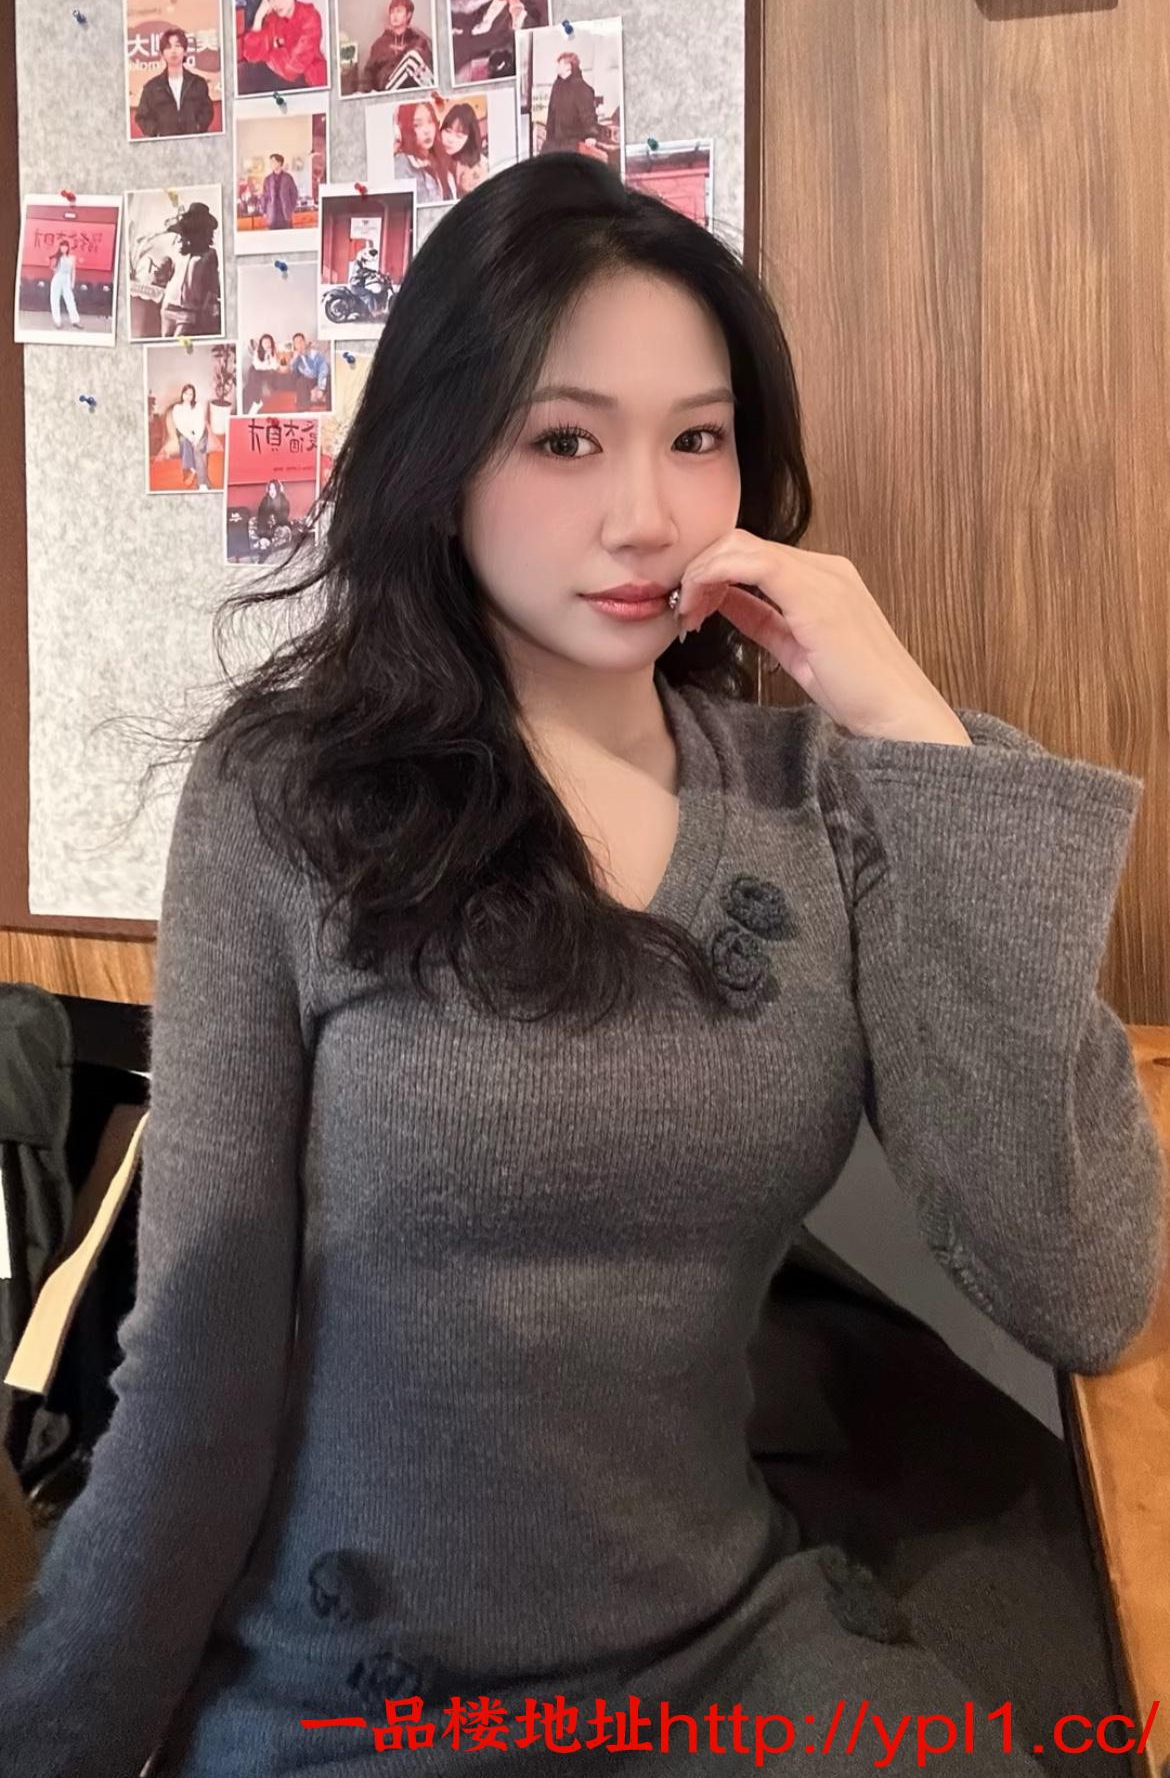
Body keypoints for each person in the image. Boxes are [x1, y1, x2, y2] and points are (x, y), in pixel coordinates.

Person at [0, 153, 1162, 1778]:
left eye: (697, 438)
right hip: (356, 1692)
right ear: (439, 462)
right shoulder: (288, 798)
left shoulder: (823, 796)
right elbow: (197, 1365)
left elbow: (1079, 1283)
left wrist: (909, 723)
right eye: (565, 440)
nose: (647, 514)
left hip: (722, 1649)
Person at [238, 0, 327, 94]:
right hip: (279, 80)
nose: (277, 2)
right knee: (245, 75)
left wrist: (269, 55)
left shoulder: (310, 16)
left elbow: (293, 67)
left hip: (310, 81)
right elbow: (252, 56)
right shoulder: (272, 19)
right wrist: (258, 18)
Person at [148, 200, 221, 339]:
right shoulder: (177, 249)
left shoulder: (209, 254)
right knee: (165, 344)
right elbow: (168, 273)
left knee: (177, 342)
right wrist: (161, 270)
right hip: (168, 306)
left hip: (189, 312)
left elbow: (212, 286)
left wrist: (204, 309)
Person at [134, 26, 215, 138]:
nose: (173, 51)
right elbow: (142, 116)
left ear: (185, 51)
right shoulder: (152, 88)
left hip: (193, 141)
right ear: (162, 54)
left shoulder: (198, 83)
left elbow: (207, 111)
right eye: (168, 47)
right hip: (165, 144)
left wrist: (197, 128)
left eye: (177, 46)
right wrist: (157, 134)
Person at [359, 0, 435, 93]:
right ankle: (435, 93)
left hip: (411, 88)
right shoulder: (380, 43)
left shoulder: (418, 41)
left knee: (415, 56)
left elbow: (428, 67)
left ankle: (434, 93)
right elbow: (369, 72)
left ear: (408, 15)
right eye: (392, 12)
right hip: (387, 88)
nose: (394, 15)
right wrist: (368, 93)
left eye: (399, 11)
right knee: (412, 58)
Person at [541, 50, 610, 161]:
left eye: (560, 64)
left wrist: (590, 135)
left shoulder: (581, 88)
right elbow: (551, 111)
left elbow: (588, 113)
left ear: (568, 66)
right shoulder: (557, 85)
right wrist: (548, 131)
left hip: (573, 142)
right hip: (555, 141)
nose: (557, 67)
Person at [392, 101, 458, 202]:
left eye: (430, 121)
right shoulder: (402, 163)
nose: (427, 130)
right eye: (417, 125)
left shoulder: (440, 157)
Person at [439, 101, 488, 194]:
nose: (450, 139)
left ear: (469, 139)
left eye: (459, 136)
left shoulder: (478, 166)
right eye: (448, 131)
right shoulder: (432, 154)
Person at [170, 383, 211, 490]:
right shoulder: (177, 408)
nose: (188, 397)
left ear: (193, 396)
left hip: (200, 433)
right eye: (186, 393)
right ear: (182, 394)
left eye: (190, 394)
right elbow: (179, 426)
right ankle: (192, 469)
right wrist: (190, 437)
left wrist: (196, 438)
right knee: (183, 441)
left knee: (197, 450)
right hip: (185, 433)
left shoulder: (198, 406)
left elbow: (200, 424)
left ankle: (202, 484)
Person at [346, 237, 387, 319]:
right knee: (369, 294)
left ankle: (369, 310)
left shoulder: (360, 264)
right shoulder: (357, 265)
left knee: (372, 289)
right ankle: (374, 312)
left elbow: (365, 270)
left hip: (358, 285)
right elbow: (361, 272)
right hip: (356, 287)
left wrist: (374, 272)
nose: (365, 261)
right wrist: (371, 274)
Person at [241, 332, 280, 414]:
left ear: (271, 343)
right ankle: (256, 402)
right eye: (264, 343)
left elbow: (274, 366)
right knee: (253, 371)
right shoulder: (257, 352)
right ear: (261, 344)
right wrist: (266, 365)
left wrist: (270, 356)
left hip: (269, 374)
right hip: (259, 372)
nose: (267, 345)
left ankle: (257, 402)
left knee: (254, 373)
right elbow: (257, 366)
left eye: (268, 342)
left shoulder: (274, 351)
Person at [260, 153, 300, 232]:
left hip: (285, 213)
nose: (271, 164)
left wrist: (291, 208)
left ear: (279, 163)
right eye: (270, 162)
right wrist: (264, 210)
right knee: (272, 236)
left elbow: (294, 194)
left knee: (287, 235)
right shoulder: (267, 179)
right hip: (272, 213)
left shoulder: (288, 178)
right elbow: (264, 196)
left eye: (273, 161)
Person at [289, 330, 330, 408]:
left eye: (301, 341)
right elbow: (293, 371)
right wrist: (295, 359)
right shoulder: (297, 358)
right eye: (296, 343)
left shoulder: (315, 354)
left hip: (318, 377)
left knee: (329, 379)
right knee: (301, 382)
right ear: (294, 346)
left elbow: (323, 370)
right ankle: (303, 408)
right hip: (308, 380)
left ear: (305, 342)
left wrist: (321, 388)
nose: (299, 345)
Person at [47, 239, 80, 329]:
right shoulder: (57, 257)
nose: (64, 248)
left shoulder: (72, 258)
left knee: (70, 300)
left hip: (67, 279)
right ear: (60, 248)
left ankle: (75, 320)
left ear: (68, 248)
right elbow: (53, 268)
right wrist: (53, 266)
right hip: (58, 278)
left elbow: (73, 271)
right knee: (55, 300)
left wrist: (72, 282)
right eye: (62, 247)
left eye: (65, 247)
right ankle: (57, 321)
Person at [254, 477, 291, 542]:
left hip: (280, 524)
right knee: (257, 527)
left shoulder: (283, 501)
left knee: (282, 531)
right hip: (266, 525)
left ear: (278, 489)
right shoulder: (265, 500)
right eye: (270, 489)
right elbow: (261, 516)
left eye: (274, 489)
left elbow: (284, 518)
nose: (272, 491)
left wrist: (274, 521)